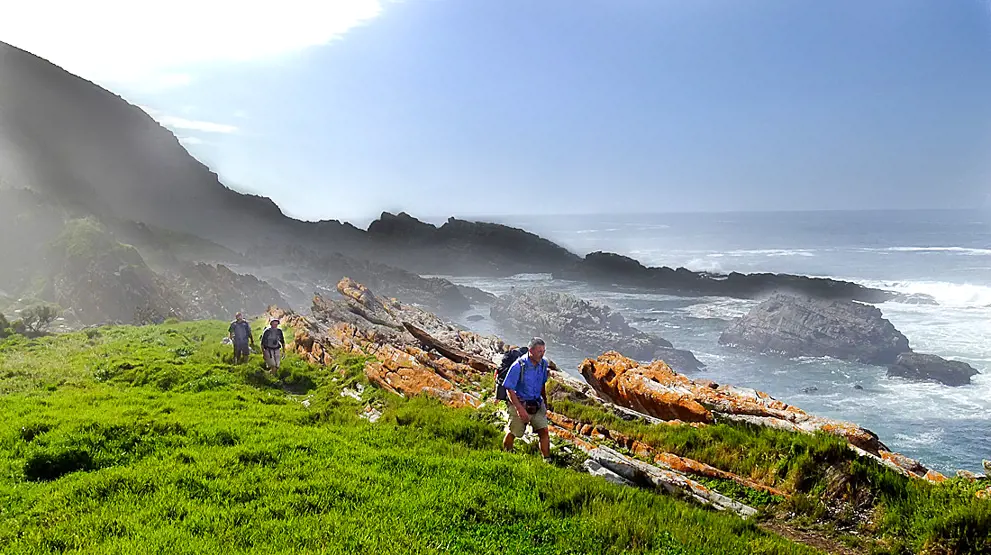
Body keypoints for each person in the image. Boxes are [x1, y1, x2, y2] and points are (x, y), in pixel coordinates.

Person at [502, 337, 551, 461]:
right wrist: (519, 409)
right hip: (520, 404)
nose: (542, 354)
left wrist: (545, 402)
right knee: (514, 432)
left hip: (537, 404)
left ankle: (547, 460)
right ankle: (506, 455)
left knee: (544, 431)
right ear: (531, 350)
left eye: (544, 351)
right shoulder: (518, 366)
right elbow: (509, 389)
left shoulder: (543, 363)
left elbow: (542, 384)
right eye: (539, 351)